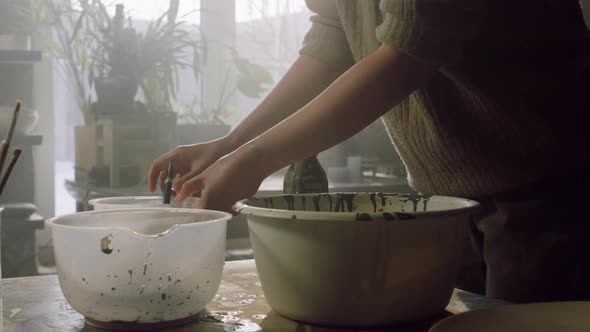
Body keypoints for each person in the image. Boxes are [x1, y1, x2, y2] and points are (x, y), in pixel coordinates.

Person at [149, 0, 590, 303]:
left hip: (549, 189)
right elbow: (332, 37)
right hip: (454, 201)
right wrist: (230, 145)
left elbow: (408, 53)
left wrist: (252, 162)